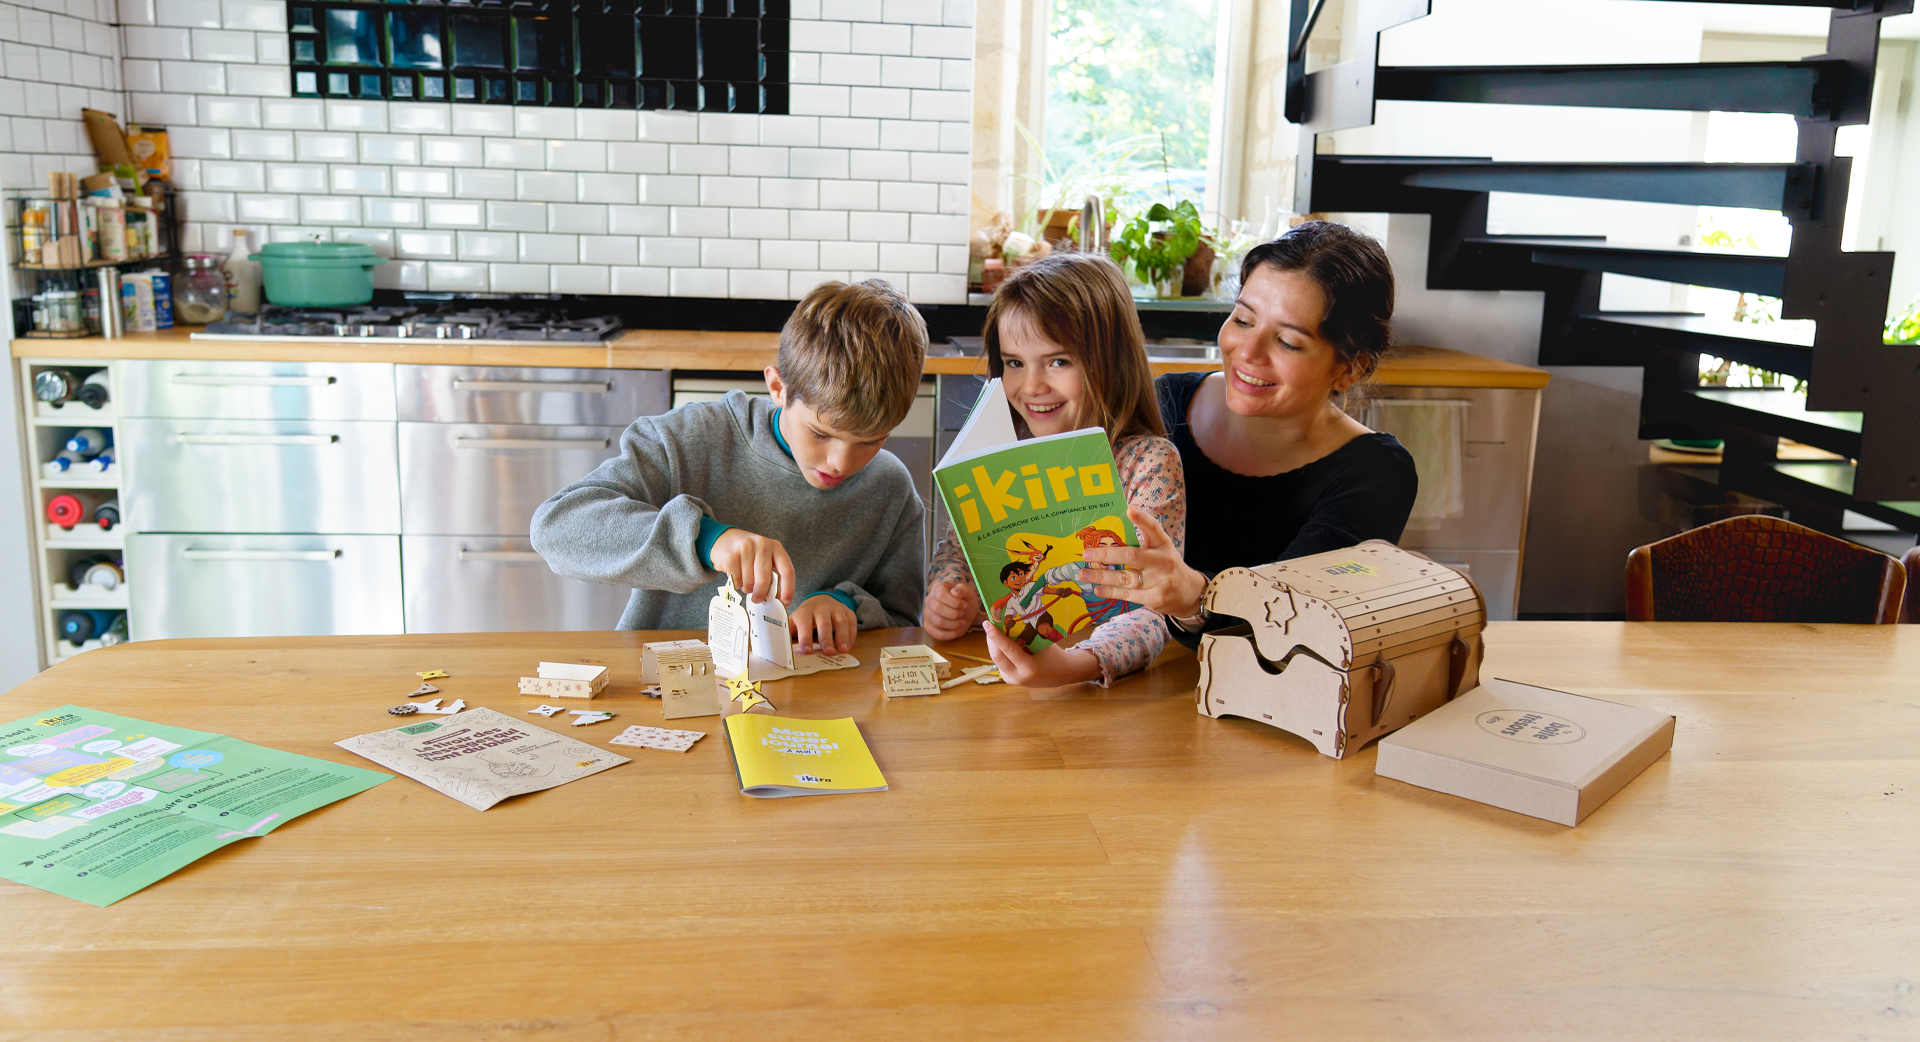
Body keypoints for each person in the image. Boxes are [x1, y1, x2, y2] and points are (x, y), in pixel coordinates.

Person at [530, 279, 928, 653]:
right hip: (660, 688)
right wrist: (703, 540)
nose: (842, 463)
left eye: (871, 441)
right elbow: (556, 527)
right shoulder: (689, 439)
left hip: (808, 709)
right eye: (821, 434)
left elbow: (902, 620)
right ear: (778, 388)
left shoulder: (890, 489)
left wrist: (845, 604)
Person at [1075, 220, 1418, 637]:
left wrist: (1193, 596)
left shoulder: (1377, 475)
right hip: (1110, 667)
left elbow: (1289, 620)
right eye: (1242, 320)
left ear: (1350, 368)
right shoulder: (1164, 403)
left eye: (1288, 342)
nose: (1248, 352)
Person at [921, 252, 1186, 686]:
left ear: (1111, 362)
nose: (1031, 387)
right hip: (994, 681)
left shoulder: (1148, 463)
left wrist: (1072, 665)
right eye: (1014, 363)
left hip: (1098, 696)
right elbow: (958, 551)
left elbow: (1155, 608)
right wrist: (951, 596)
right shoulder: (999, 450)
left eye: (1058, 361)